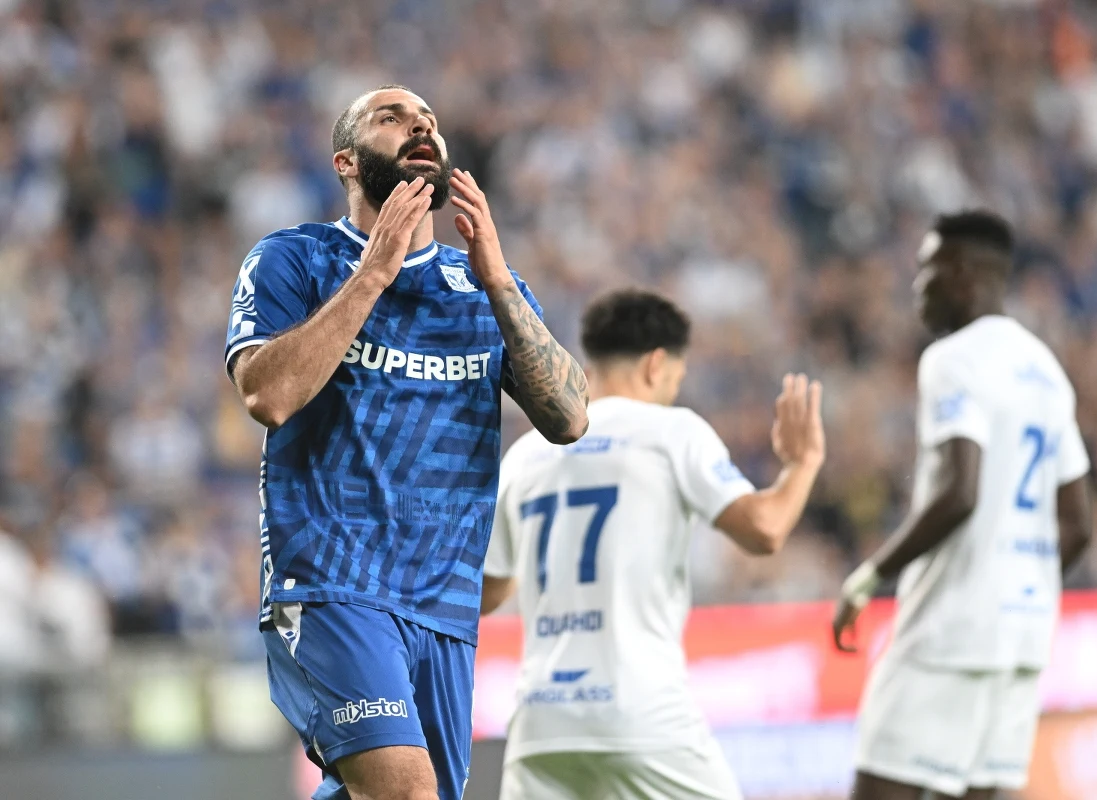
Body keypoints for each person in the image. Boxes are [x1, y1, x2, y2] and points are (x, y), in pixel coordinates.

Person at [223, 84, 589, 800]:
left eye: (428, 120)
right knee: (406, 794)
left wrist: (497, 282)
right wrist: (374, 273)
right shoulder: (295, 260)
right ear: (347, 162)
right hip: (332, 586)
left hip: (443, 608)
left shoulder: (480, 286)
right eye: (391, 118)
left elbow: (571, 418)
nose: (420, 124)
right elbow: (268, 395)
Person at [481, 288, 826, 800]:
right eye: (676, 380)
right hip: (640, 714)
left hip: (541, 724)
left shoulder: (526, 455)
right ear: (656, 365)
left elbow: (486, 594)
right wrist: (803, 463)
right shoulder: (672, 432)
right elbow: (765, 529)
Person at [831, 211, 1093, 800]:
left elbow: (960, 493)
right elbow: (1078, 525)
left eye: (928, 270)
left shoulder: (953, 358)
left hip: (950, 633)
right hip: (1022, 636)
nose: (918, 287)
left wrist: (870, 576)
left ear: (965, 274)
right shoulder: (1048, 372)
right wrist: (1018, 583)